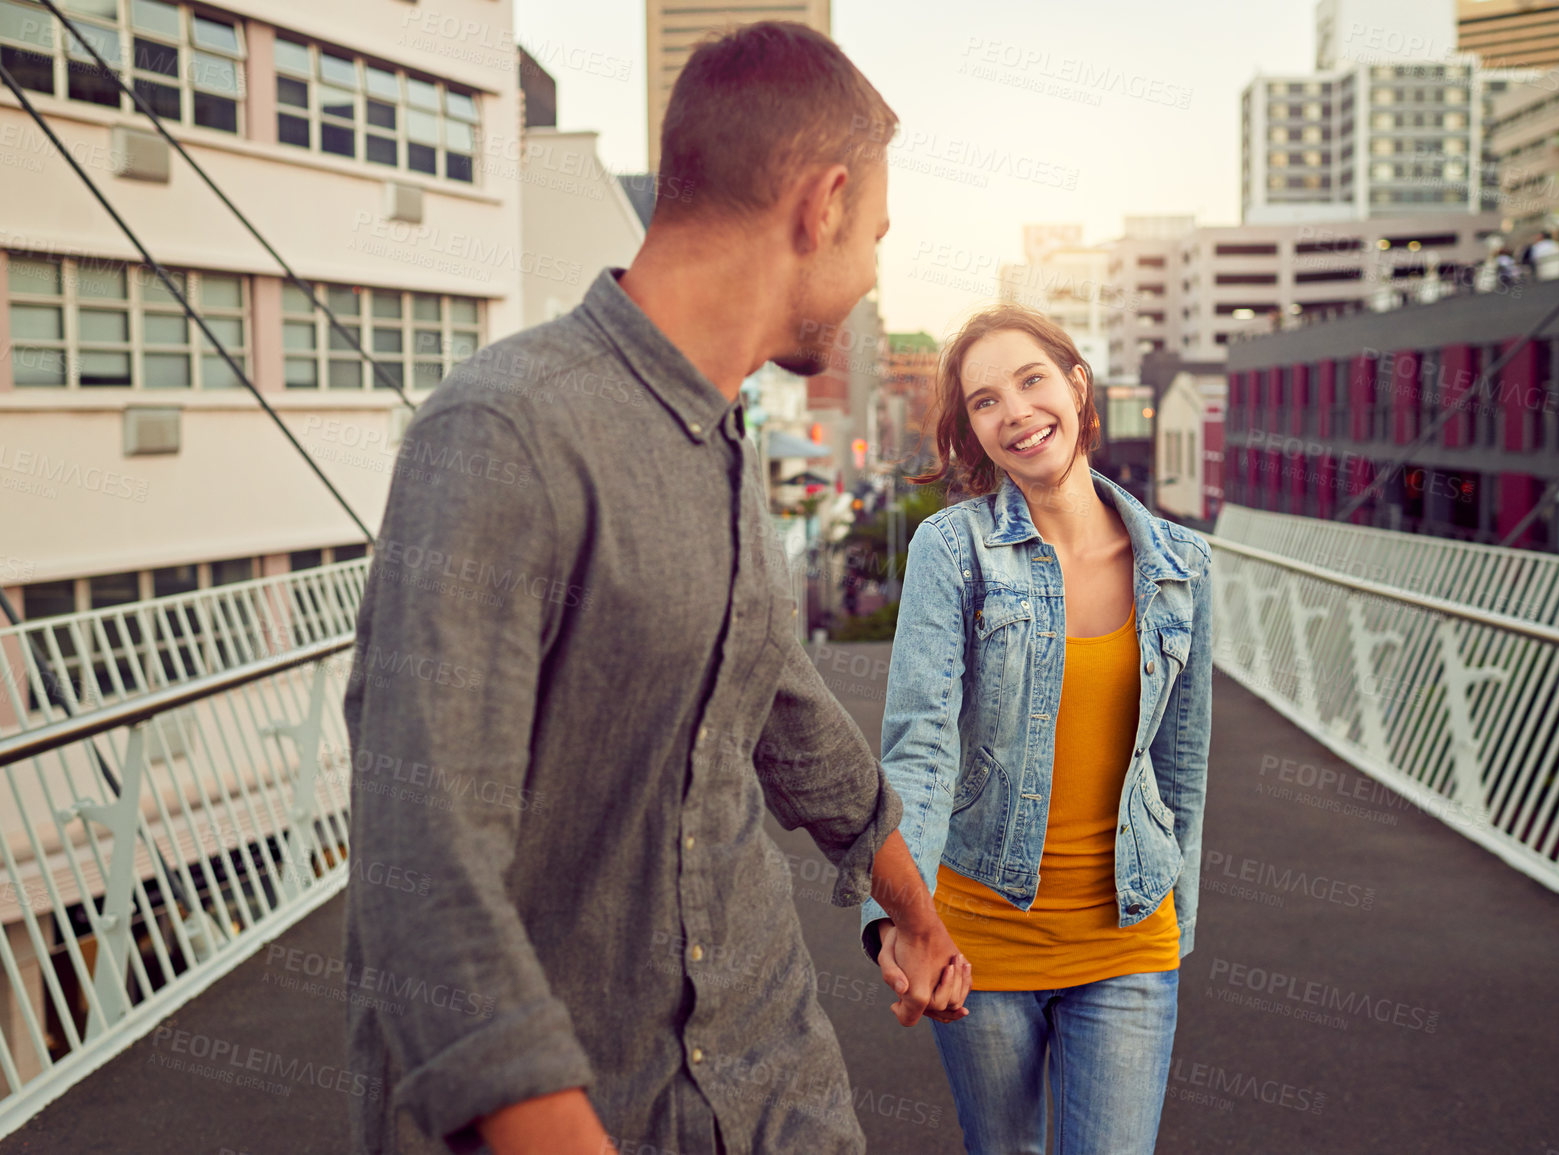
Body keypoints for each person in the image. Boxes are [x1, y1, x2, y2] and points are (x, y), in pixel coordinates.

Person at [342, 22, 969, 1155]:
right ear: (820, 207)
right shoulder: (504, 435)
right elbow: (423, 876)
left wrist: (915, 918)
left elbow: (789, 718)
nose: (876, 271)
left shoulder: (721, 438)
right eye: (876, 234)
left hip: (777, 1085)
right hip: (596, 1106)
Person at [860, 304, 1214, 1153]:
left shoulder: (1183, 566)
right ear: (972, 432)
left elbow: (1183, 762)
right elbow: (920, 742)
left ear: (1076, 386)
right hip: (979, 936)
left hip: (1130, 936)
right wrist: (898, 919)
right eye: (984, 402)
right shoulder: (953, 550)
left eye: (1030, 381)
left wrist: (1179, 922)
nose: (1014, 411)